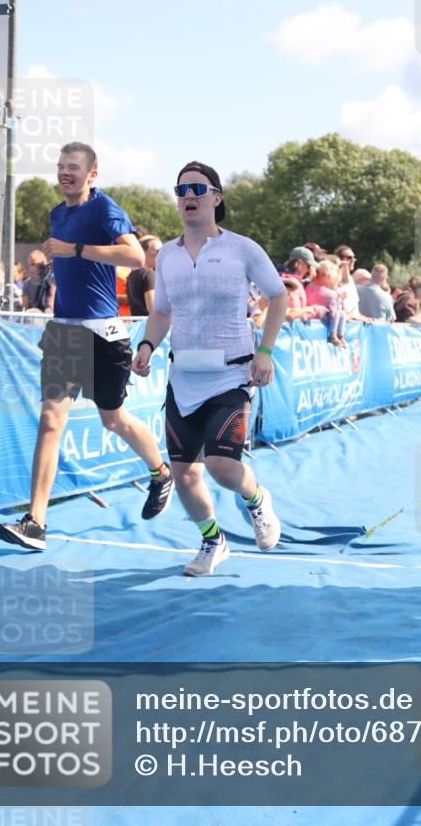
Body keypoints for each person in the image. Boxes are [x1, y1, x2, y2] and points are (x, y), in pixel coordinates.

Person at [0, 142, 173, 551]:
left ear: (92, 174)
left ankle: (159, 471)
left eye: (73, 167)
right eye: (60, 167)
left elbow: (133, 256)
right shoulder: (58, 213)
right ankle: (36, 522)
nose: (64, 173)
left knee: (114, 419)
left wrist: (75, 249)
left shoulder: (104, 208)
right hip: (63, 333)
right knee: (50, 421)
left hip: (103, 334)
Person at [133, 161, 288, 577]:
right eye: (181, 189)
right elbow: (162, 311)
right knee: (184, 475)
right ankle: (212, 540)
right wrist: (147, 343)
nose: (188, 196)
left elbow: (279, 296)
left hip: (231, 374)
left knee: (221, 466)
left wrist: (266, 351)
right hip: (183, 377)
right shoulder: (167, 254)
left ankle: (257, 503)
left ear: (216, 198)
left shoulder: (243, 249)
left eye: (197, 189)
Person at [126, 236, 162, 316]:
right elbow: (153, 308)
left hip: (138, 325)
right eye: (158, 251)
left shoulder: (132, 275)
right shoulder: (149, 274)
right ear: (143, 252)